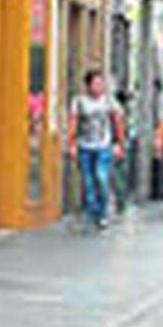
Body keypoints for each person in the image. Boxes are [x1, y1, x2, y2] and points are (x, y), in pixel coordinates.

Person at [67, 70, 123, 229]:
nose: (99, 87)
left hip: (104, 146)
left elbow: (117, 121)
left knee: (101, 177)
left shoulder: (109, 101)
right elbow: (73, 122)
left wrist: (119, 143)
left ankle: (103, 212)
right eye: (96, 83)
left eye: (101, 83)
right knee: (88, 182)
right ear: (88, 85)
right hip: (85, 145)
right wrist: (71, 144)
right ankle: (95, 211)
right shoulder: (79, 101)